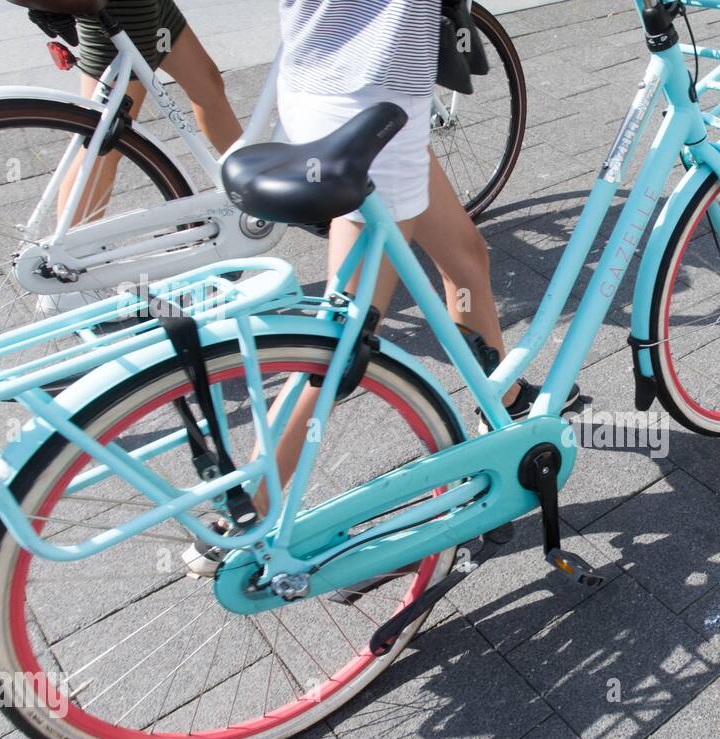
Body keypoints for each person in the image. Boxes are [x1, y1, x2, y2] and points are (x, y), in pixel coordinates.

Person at [183, 0, 580, 574]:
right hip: (374, 91)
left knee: (465, 258)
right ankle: (244, 511)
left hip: (327, 76)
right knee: (341, 340)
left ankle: (503, 405)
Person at [61, 0, 244, 223]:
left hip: (154, 8)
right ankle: (68, 248)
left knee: (207, 86)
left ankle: (255, 186)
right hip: (127, 11)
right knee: (104, 140)